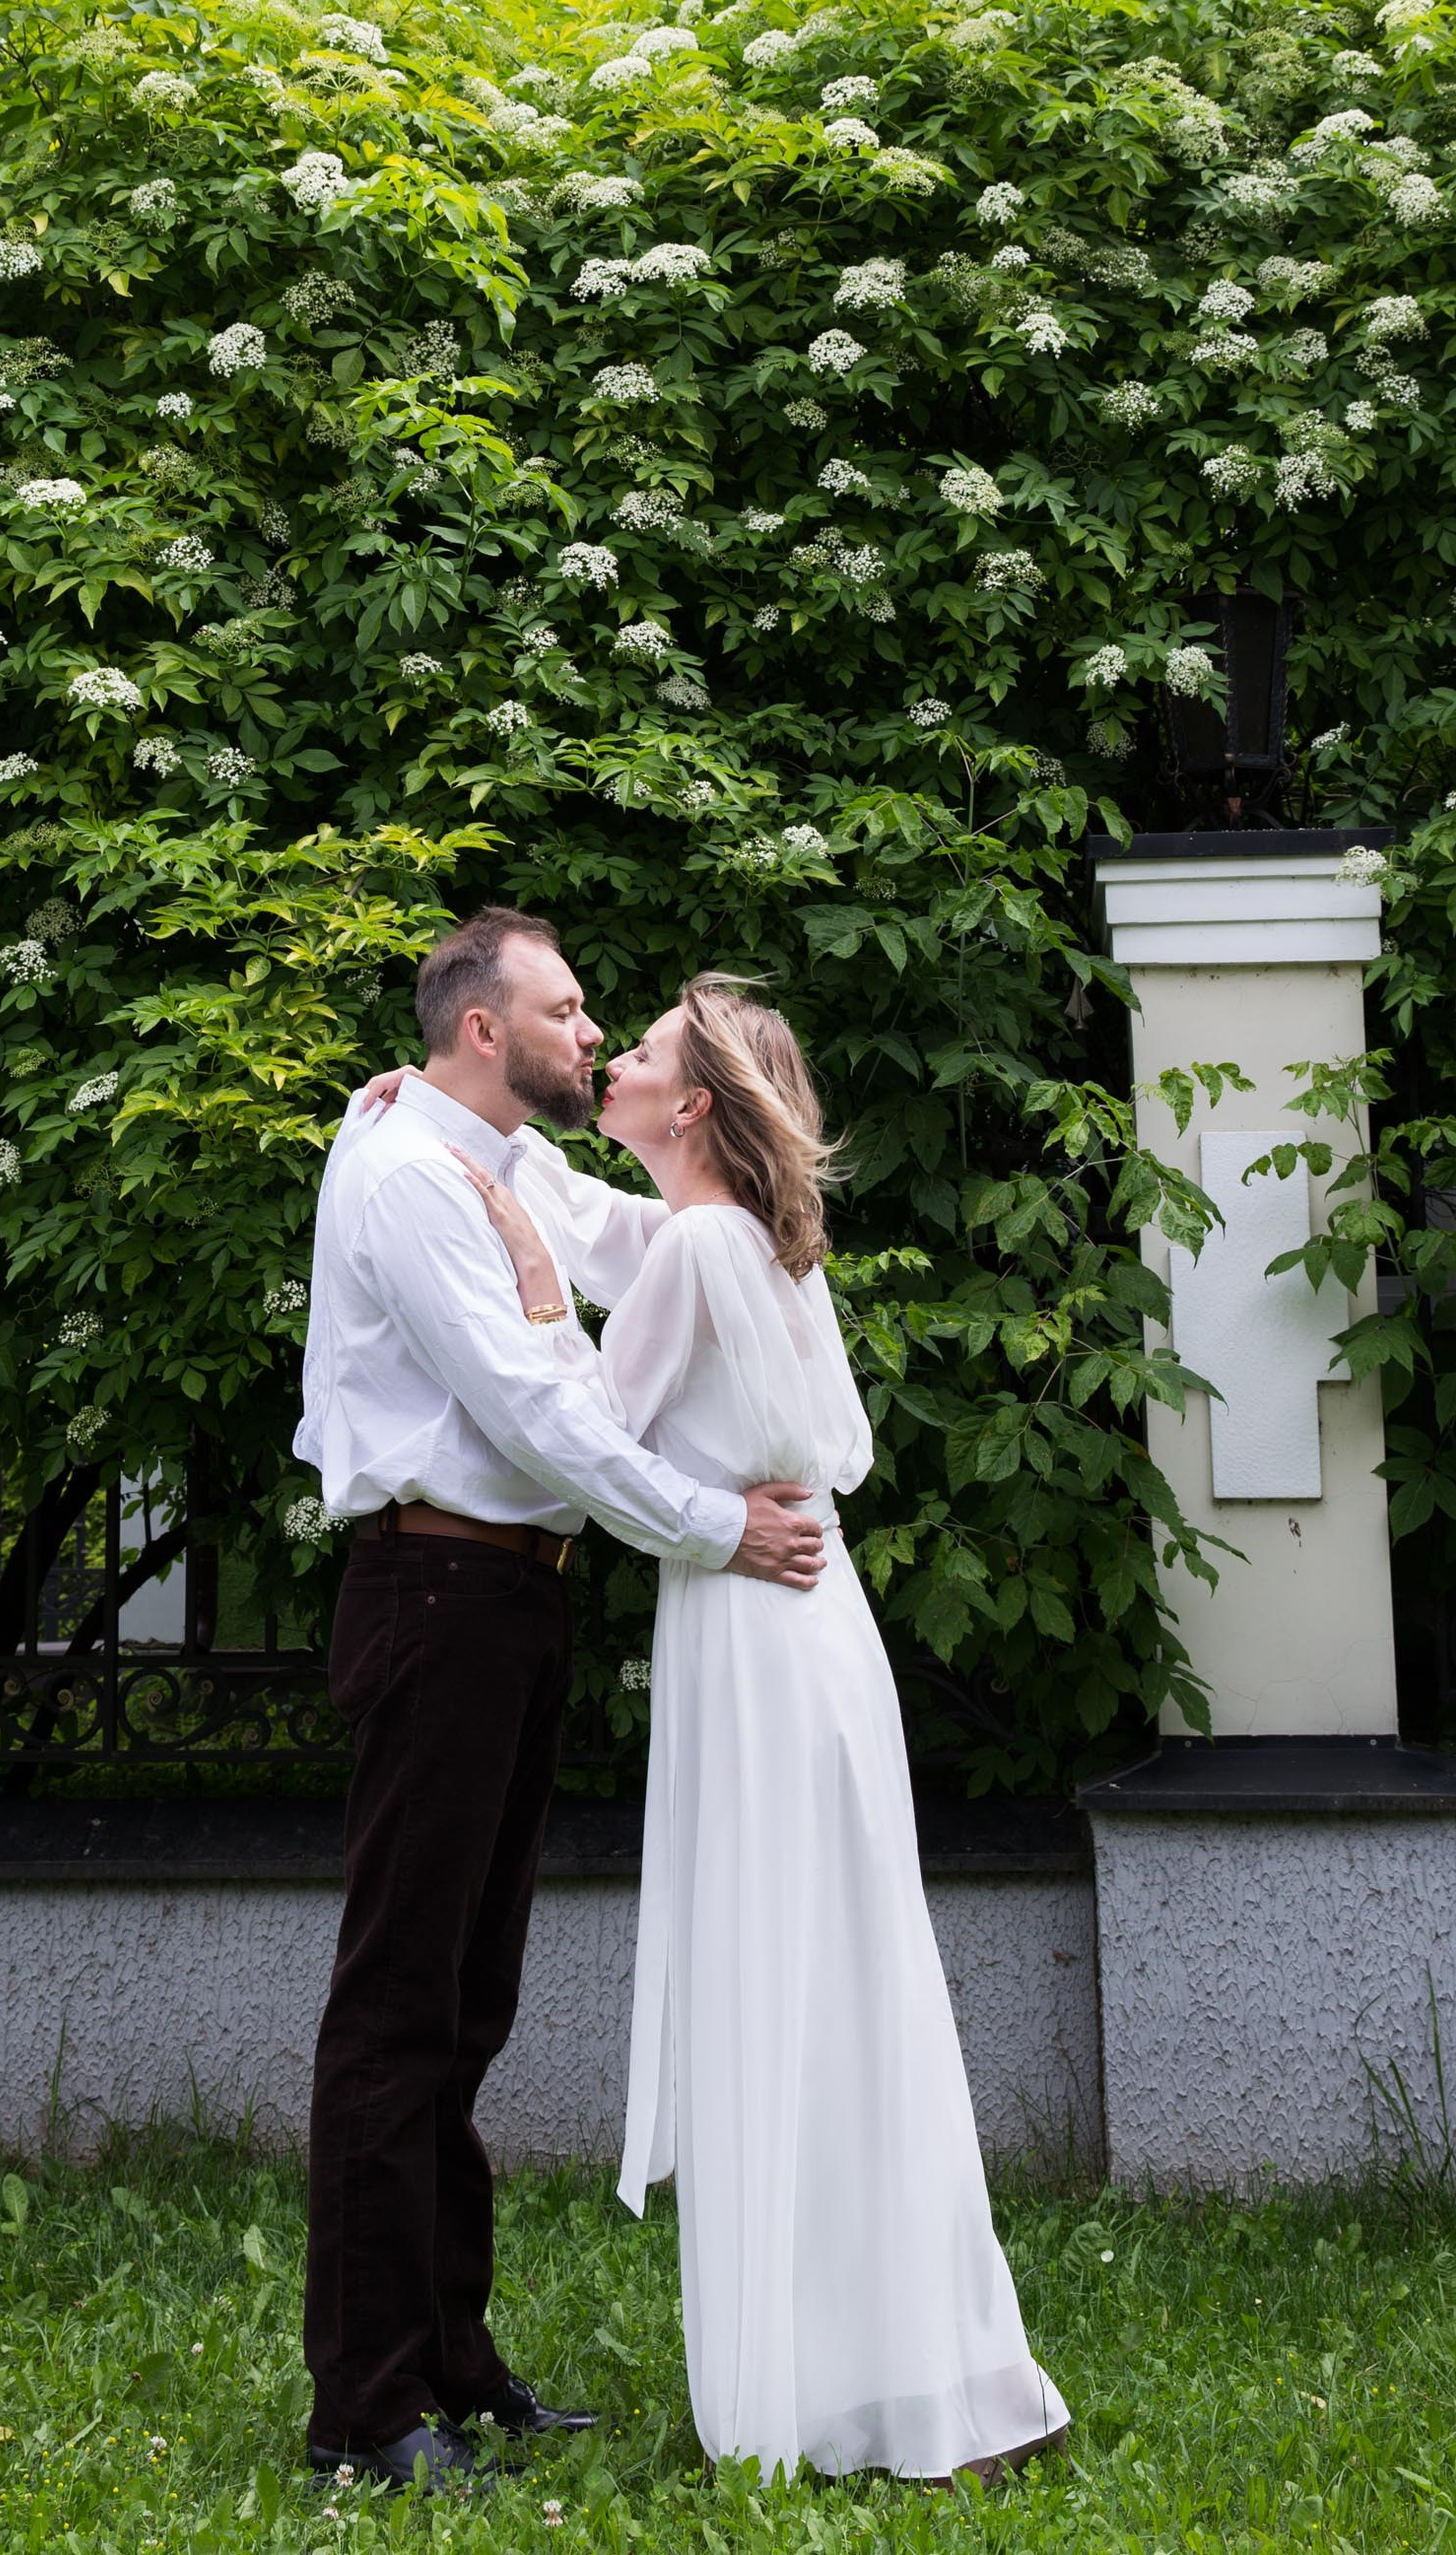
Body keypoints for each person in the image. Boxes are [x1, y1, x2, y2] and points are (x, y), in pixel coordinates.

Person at [462, 973, 1069, 2491]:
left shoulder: (699, 1252)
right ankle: (928, 2370)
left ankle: (812, 2392)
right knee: (849, 1984)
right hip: (817, 1635)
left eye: (645, 1057)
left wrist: (510, 1254)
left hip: (749, 1628)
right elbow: (632, 1245)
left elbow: (584, 1433)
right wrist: (487, 1145)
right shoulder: (750, 1248)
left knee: (777, 1982)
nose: (616, 1070)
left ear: (696, 1107)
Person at [296, 908, 829, 2497]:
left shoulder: (492, 1152)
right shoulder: (408, 1174)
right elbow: (537, 1413)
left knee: (469, 2006)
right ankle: (365, 2414)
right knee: (399, 2010)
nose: (592, 1033)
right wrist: (716, 1525)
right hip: (437, 1595)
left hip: (508, 1603)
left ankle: (456, 2368)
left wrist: (753, 1207)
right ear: (482, 1028)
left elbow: (636, 1241)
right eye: (570, 1008)